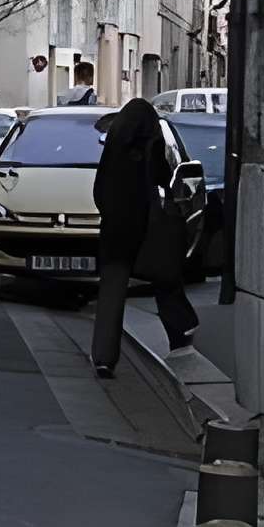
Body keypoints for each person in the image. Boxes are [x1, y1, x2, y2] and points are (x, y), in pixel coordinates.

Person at [90, 96, 198, 377]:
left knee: (111, 292)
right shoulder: (152, 142)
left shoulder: (114, 148)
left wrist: (111, 213)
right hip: (147, 225)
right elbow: (163, 178)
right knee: (165, 277)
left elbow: (99, 191)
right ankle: (181, 332)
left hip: (116, 229)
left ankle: (103, 357)